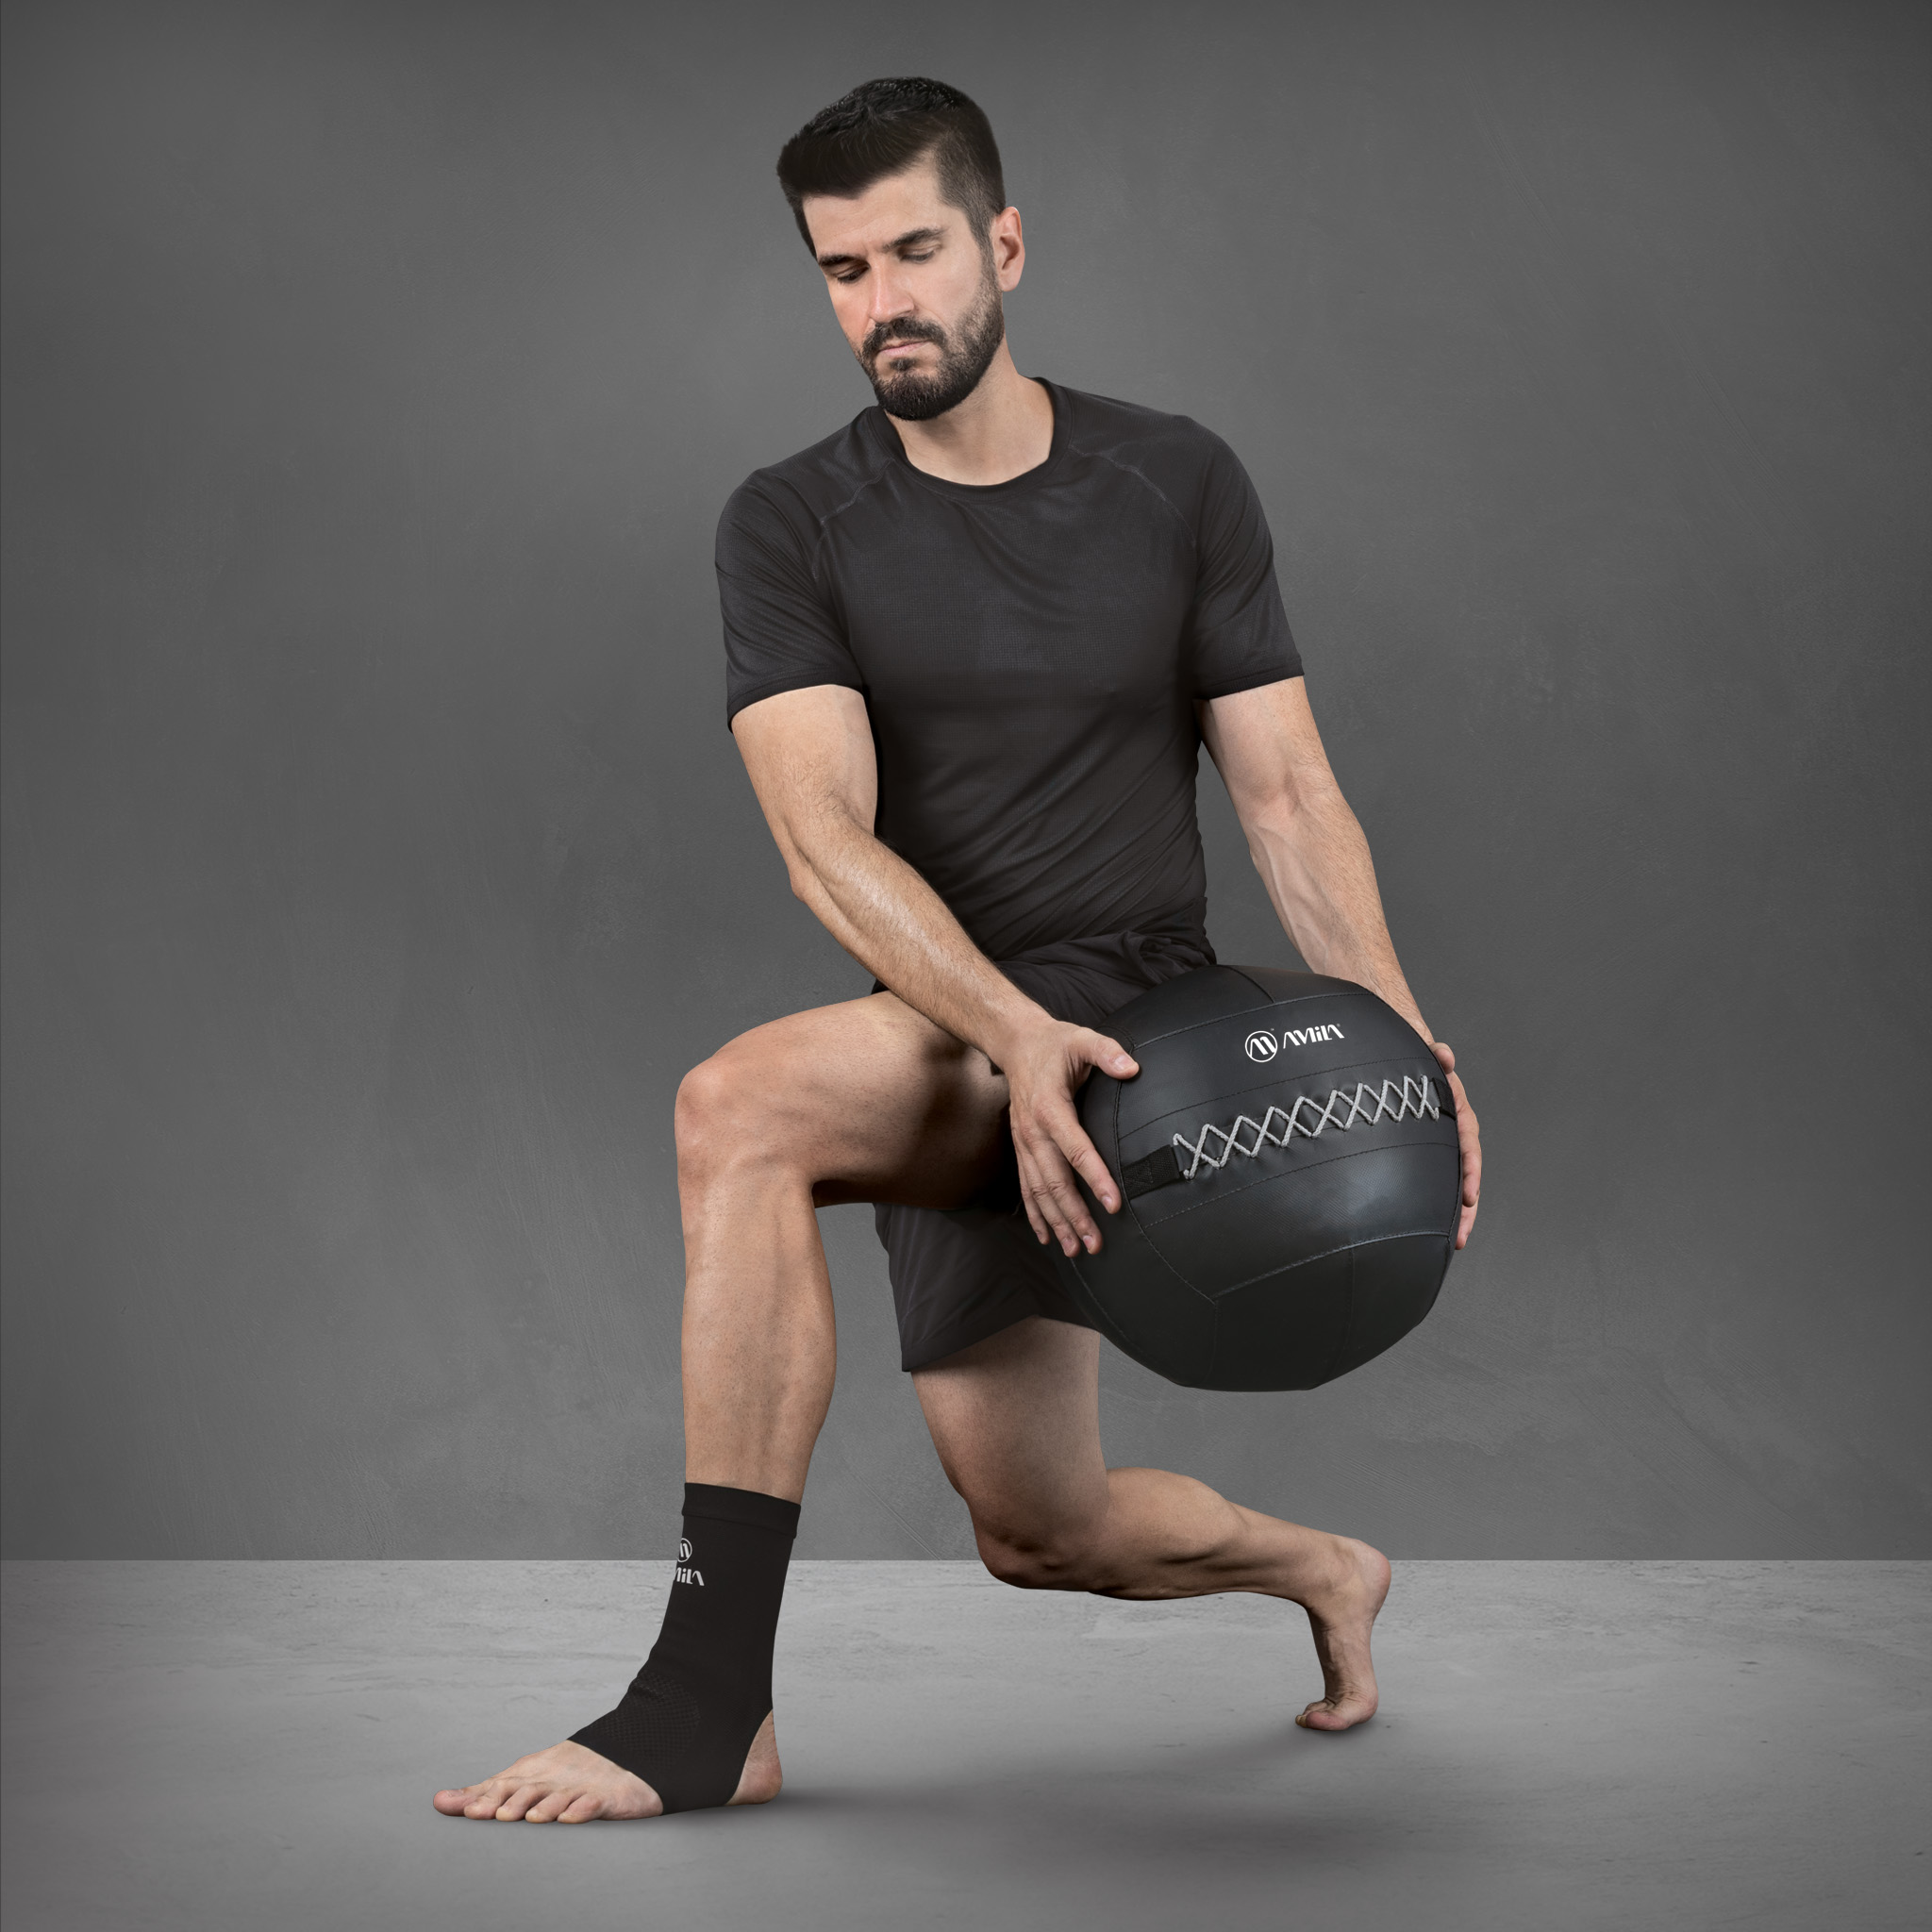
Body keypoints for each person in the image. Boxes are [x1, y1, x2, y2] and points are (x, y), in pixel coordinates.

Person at [435, 75, 1482, 1825]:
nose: (884, 303)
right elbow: (821, 838)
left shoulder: (1176, 477)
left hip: (1146, 1031)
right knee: (1020, 1509)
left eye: (915, 252)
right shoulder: (792, 521)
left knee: (999, 1468)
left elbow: (1289, 797)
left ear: (1003, 244)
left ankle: (717, 1707)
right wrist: (1005, 1034)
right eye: (842, 271)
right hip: (959, 1027)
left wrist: (1403, 1043)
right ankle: (1307, 1568)